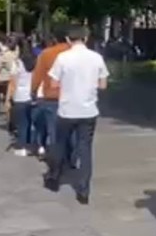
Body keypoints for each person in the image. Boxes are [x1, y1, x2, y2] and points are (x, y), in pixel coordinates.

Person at [43, 25, 109, 205]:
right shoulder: (96, 58)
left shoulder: (63, 58)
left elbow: (54, 84)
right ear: (86, 38)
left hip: (67, 109)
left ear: (67, 40)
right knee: (85, 149)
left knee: (60, 143)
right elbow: (103, 85)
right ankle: (83, 189)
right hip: (89, 110)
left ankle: (54, 177)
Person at [31, 28, 71, 157]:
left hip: (52, 96)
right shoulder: (75, 54)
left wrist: (33, 91)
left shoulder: (47, 54)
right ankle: (72, 158)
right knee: (73, 132)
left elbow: (38, 75)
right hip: (73, 96)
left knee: (53, 131)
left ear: (54, 39)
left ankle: (56, 161)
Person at [9, 39, 37, 156]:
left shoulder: (17, 63)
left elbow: (13, 83)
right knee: (33, 123)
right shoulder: (36, 62)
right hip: (33, 95)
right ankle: (33, 145)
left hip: (20, 96)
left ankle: (22, 146)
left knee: (22, 124)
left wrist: (8, 98)